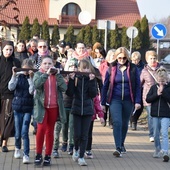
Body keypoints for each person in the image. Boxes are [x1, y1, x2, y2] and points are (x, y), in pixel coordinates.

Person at [101, 47, 141, 157]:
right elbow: (105, 86)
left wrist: (138, 101)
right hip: (115, 99)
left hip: (129, 100)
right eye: (119, 58)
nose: (122, 60)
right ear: (116, 57)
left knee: (124, 123)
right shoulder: (111, 68)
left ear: (127, 57)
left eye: (124, 58)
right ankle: (118, 147)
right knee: (117, 122)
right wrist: (103, 102)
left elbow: (138, 86)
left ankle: (122, 143)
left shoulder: (133, 68)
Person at [33, 56, 67, 166]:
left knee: (49, 131)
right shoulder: (38, 74)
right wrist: (46, 74)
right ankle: (38, 154)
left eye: (50, 63)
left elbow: (64, 88)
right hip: (41, 107)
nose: (48, 65)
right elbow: (37, 85)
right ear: (41, 65)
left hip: (54, 107)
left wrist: (58, 75)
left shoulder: (56, 75)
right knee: (41, 129)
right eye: (45, 63)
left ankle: (48, 155)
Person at [66, 59, 98, 166]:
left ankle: (81, 156)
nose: (85, 70)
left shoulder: (91, 79)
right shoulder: (76, 78)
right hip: (76, 109)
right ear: (79, 69)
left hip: (88, 110)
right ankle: (75, 149)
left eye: (87, 67)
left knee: (85, 135)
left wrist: (92, 81)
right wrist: (71, 80)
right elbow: (70, 93)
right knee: (77, 134)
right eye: (83, 68)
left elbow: (93, 94)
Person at [8, 59, 34, 164]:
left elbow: (32, 91)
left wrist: (31, 78)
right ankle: (17, 147)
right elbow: (11, 87)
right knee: (18, 132)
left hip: (27, 108)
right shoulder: (18, 76)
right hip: (17, 107)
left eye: (28, 69)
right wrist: (14, 75)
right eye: (24, 69)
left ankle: (26, 154)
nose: (26, 71)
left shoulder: (32, 77)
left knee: (24, 132)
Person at [0, 40, 21, 152]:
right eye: (6, 49)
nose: (8, 51)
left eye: (10, 50)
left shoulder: (16, 62)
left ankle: (4, 142)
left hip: (10, 94)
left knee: (8, 118)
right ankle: (1, 136)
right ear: (2, 49)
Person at [146, 67, 170, 162]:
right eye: (159, 80)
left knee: (164, 133)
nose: (161, 83)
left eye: (163, 81)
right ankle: (157, 149)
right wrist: (156, 94)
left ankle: (165, 151)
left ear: (167, 79)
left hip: (166, 114)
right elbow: (148, 99)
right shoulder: (153, 88)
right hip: (155, 114)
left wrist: (163, 92)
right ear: (157, 79)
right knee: (156, 133)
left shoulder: (168, 88)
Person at [140, 50, 160, 142]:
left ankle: (157, 133)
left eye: (154, 58)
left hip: (160, 96)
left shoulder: (161, 69)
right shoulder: (144, 71)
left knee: (158, 116)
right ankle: (151, 134)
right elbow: (139, 84)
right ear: (147, 60)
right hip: (148, 97)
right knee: (151, 116)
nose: (153, 60)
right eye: (151, 58)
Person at [60, 58, 78, 155]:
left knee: (72, 125)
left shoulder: (79, 77)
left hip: (73, 105)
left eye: (75, 66)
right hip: (64, 104)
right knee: (64, 125)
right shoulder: (63, 77)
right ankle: (64, 142)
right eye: (71, 66)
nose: (73, 68)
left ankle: (71, 144)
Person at [85, 94, 104, 159]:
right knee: (79, 133)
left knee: (89, 134)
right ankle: (77, 148)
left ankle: (88, 149)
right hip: (79, 114)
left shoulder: (93, 92)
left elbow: (97, 104)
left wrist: (101, 115)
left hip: (90, 115)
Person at [130, 51, 144, 130]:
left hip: (140, 88)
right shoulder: (130, 67)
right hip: (131, 88)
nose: (135, 62)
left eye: (137, 60)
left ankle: (135, 119)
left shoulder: (143, 67)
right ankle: (132, 121)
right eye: (133, 60)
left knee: (140, 106)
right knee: (131, 105)